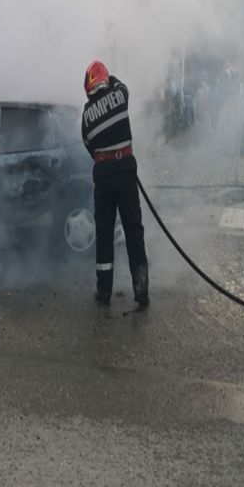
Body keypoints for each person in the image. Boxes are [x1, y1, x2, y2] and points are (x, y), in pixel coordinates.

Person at [81, 60, 149, 308]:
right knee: (134, 232)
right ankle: (141, 291)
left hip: (104, 175)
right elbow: (122, 86)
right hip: (126, 172)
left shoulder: (86, 114)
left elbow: (89, 145)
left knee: (104, 235)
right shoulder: (120, 95)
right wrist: (111, 80)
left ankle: (103, 292)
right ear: (106, 80)